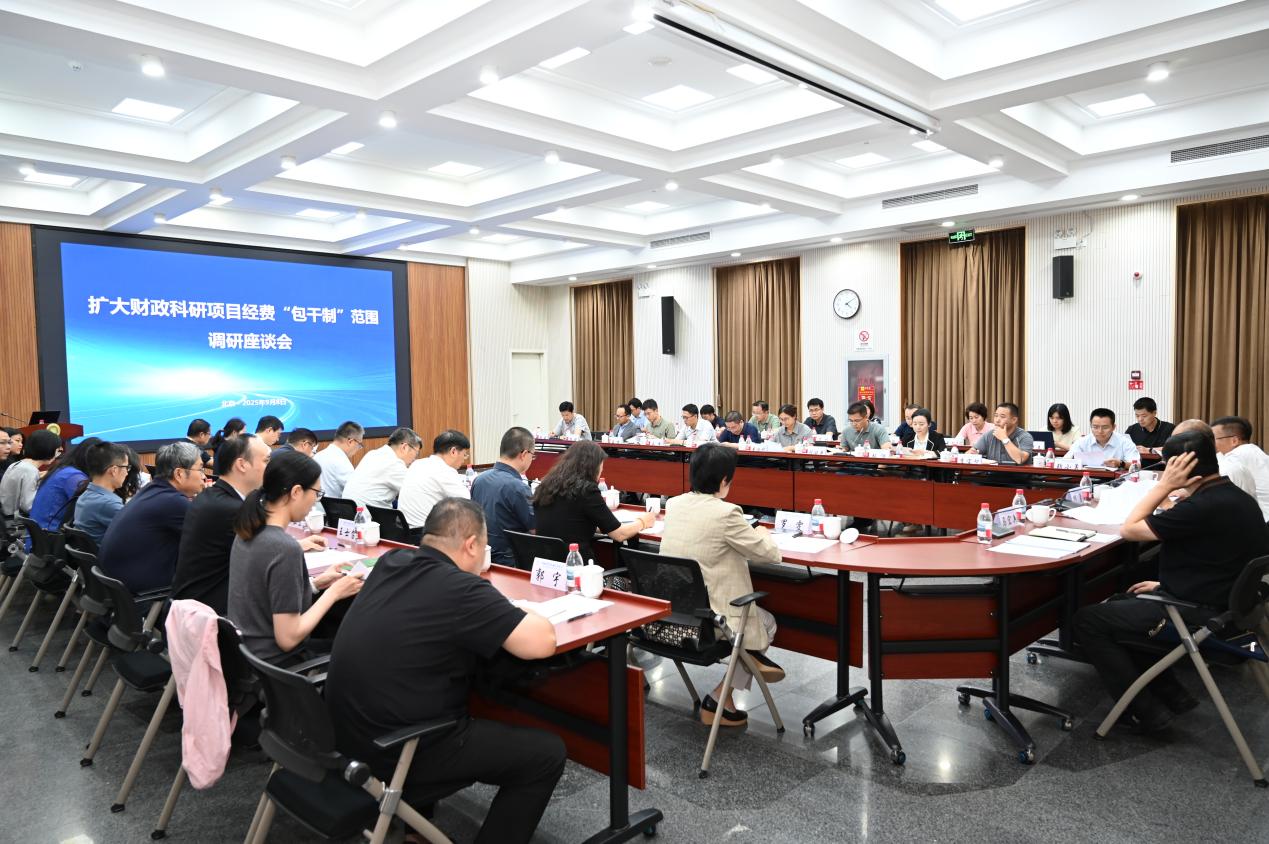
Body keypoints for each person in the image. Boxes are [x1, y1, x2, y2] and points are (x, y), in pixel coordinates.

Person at [325, 498, 564, 844]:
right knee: (545, 755)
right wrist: (516, 608)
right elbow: (542, 641)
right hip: (397, 750)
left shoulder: (392, 561)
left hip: (342, 736)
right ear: (472, 545)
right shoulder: (462, 589)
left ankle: (412, 827)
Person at [1074, 430, 1269, 732]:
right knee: (1122, 602)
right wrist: (1163, 587)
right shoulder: (1236, 497)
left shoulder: (1200, 507)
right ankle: (1172, 694)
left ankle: (1144, 712)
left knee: (1088, 620)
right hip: (1229, 608)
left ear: (1180, 467)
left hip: (1201, 616)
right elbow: (1218, 561)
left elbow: (1129, 529)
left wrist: (1164, 486)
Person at [659, 444, 785, 727]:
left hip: (674, 613)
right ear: (724, 480)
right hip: (711, 620)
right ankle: (721, 696)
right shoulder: (727, 513)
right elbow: (769, 554)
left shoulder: (674, 504)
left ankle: (746, 663)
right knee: (767, 623)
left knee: (749, 636)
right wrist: (762, 533)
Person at [228, 450, 363, 664]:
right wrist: (334, 592)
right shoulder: (284, 548)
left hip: (249, 657)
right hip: (278, 665)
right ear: (296, 492)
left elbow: (265, 597)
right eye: (316, 493)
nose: (315, 501)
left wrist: (316, 585)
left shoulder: (246, 530)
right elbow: (288, 639)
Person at [172, 434, 301, 615]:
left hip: (192, 607)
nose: (271, 468)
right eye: (266, 461)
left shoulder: (210, 496)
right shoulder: (234, 510)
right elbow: (271, 557)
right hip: (214, 614)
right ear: (242, 465)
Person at [97, 441, 205, 594]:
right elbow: (208, 542)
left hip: (116, 584)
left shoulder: (152, 490)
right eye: (200, 469)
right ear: (179, 474)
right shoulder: (172, 502)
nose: (203, 476)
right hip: (140, 592)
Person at [532, 440, 655, 561]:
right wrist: (643, 522)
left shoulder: (545, 485)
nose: (601, 471)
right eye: (601, 466)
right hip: (576, 564)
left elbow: (569, 523)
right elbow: (619, 534)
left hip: (544, 564)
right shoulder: (586, 490)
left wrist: (604, 525)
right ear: (593, 466)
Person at [471, 427, 536, 567]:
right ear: (524, 454)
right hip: (511, 561)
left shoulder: (479, 480)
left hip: (482, 556)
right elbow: (535, 529)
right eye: (533, 455)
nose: (532, 459)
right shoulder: (518, 487)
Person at [399, 429, 472, 529]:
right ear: (453, 451)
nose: (464, 459)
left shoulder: (417, 464)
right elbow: (467, 504)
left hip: (405, 531)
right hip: (427, 533)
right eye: (464, 454)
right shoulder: (445, 471)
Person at [29, 436, 102, 535]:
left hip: (41, 536)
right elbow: (93, 509)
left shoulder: (64, 470)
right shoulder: (73, 477)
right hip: (51, 537)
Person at [343, 427, 422, 508]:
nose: (415, 459)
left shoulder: (373, 454)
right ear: (404, 447)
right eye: (416, 453)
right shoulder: (394, 463)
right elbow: (417, 491)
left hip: (350, 511)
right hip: (367, 514)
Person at [72, 442, 131, 544]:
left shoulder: (85, 495)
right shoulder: (108, 503)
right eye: (126, 467)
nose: (127, 472)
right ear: (114, 470)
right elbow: (139, 531)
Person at [1212, 416, 1269, 521]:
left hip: (1262, 520)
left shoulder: (1236, 456)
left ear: (1234, 441)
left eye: (1213, 438)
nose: (1211, 443)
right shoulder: (1254, 452)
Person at [1, 429, 59, 519]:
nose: (57, 455)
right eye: (57, 451)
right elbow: (29, 506)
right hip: (14, 522)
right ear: (47, 449)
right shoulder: (30, 470)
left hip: (6, 518)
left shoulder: (19, 464)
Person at [1069, 408, 1138, 469]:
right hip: (1087, 476)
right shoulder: (1082, 441)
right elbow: (1067, 460)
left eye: (1105, 427)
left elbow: (1137, 465)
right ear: (1091, 426)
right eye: (1095, 427)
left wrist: (1121, 463)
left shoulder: (1125, 442)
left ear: (1113, 427)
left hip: (1116, 478)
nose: (1100, 431)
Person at [313, 420, 364, 500]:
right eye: (359, 445)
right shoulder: (342, 462)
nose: (358, 448)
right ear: (350, 441)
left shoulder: (317, 456)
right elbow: (356, 492)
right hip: (331, 507)